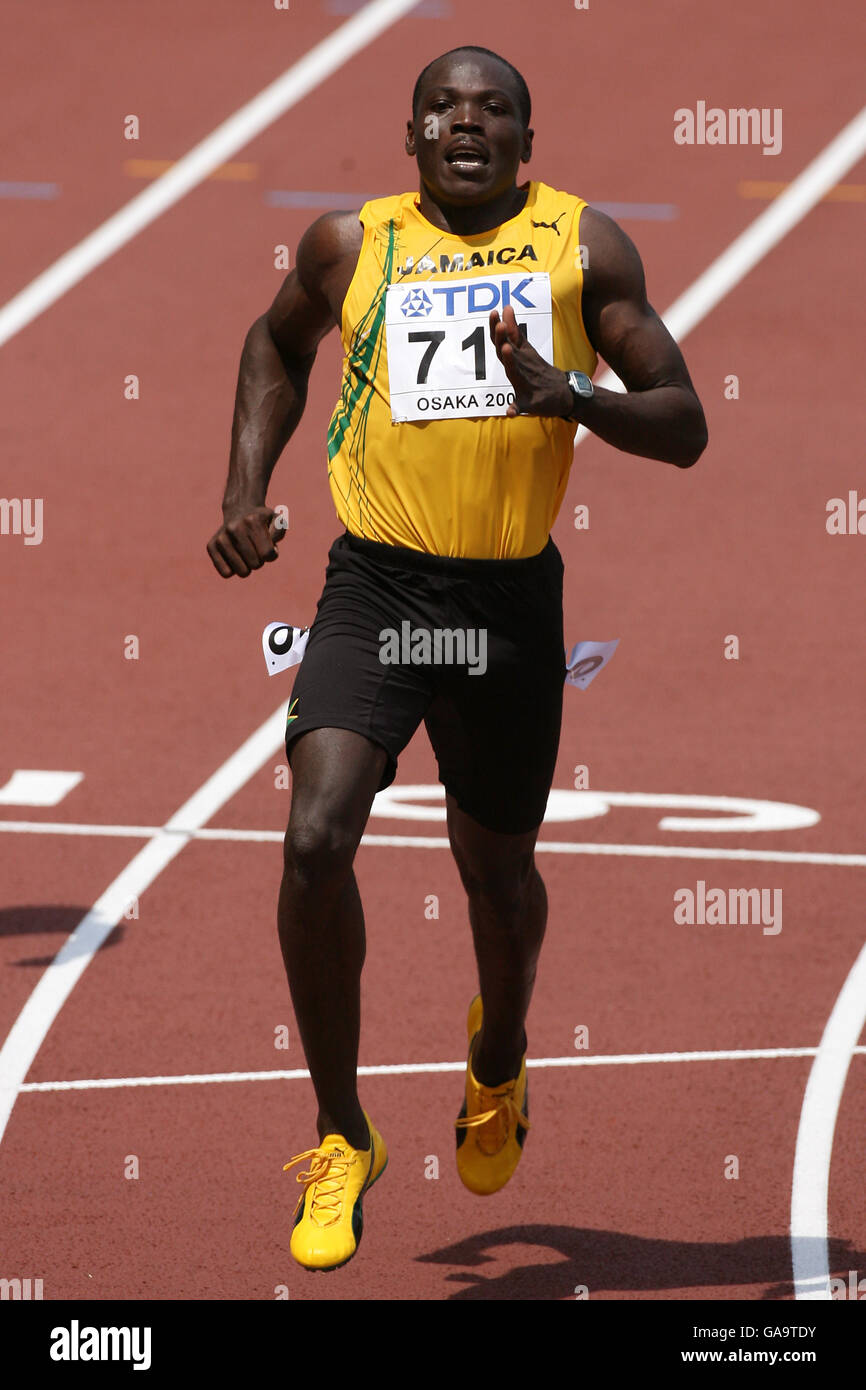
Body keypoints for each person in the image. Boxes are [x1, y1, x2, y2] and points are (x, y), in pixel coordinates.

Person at [206, 45, 707, 1274]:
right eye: (444, 106)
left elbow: (685, 421)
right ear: (410, 133)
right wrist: (243, 492)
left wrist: (573, 399)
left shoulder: (584, 249)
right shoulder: (348, 243)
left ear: (527, 144)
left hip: (503, 606)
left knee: (494, 871)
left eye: (494, 111)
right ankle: (340, 1134)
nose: (466, 123)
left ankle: (498, 1054)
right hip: (373, 581)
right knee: (315, 834)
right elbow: (273, 348)